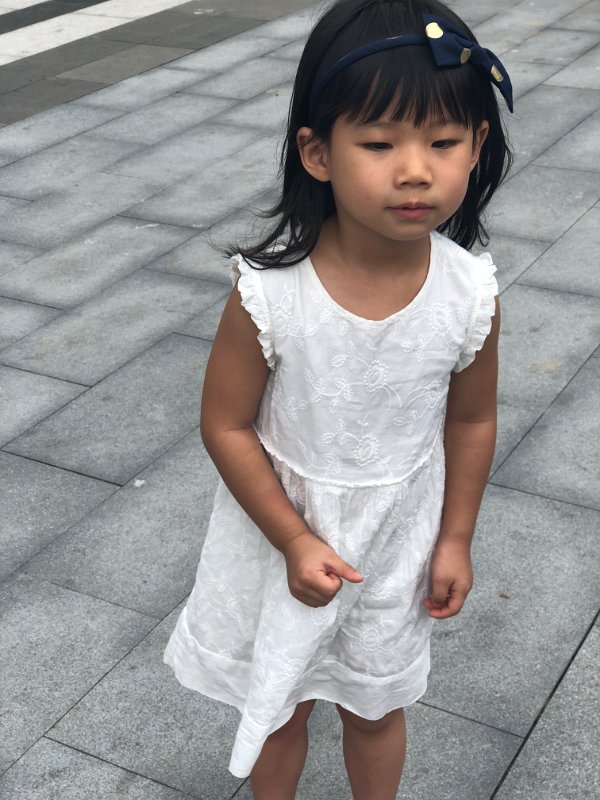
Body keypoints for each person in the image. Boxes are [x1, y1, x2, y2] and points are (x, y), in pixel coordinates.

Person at [163, 0, 513, 797]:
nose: (415, 170)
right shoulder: (271, 295)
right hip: (279, 531)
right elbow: (225, 424)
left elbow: (472, 419)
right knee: (279, 705)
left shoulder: (470, 294)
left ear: (476, 145)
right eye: (380, 144)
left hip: (396, 544)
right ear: (318, 153)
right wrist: (291, 538)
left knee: (375, 706)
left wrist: (456, 537)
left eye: (443, 142)